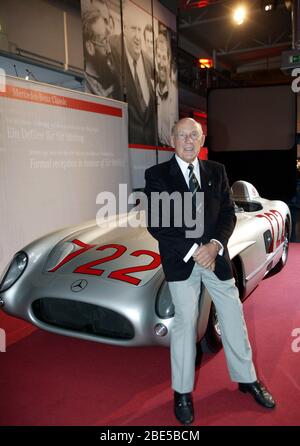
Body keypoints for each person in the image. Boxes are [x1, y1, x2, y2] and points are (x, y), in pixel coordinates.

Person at [144, 117, 276, 425]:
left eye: (194, 135)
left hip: (216, 258)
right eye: (182, 135)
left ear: (202, 140)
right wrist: (194, 251)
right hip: (181, 260)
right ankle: (182, 392)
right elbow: (160, 224)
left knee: (233, 316)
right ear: (172, 140)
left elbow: (227, 215)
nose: (188, 140)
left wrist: (214, 245)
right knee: (184, 325)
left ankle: (247, 380)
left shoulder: (217, 171)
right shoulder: (157, 175)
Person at [117, 0, 157, 145]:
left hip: (149, 146)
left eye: (140, 30)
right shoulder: (114, 55)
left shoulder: (149, 63)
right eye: (133, 28)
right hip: (126, 146)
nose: (138, 36)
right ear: (124, 29)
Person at [82, 0, 122, 100]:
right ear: (90, 47)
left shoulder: (112, 70)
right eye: (104, 41)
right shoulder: (86, 89)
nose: (109, 49)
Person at [155, 32, 178, 146]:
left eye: (164, 58)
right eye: (158, 57)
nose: (161, 63)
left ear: (169, 59)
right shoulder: (152, 95)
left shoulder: (174, 95)